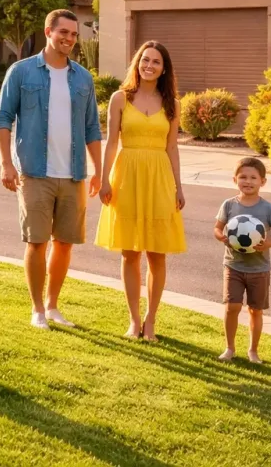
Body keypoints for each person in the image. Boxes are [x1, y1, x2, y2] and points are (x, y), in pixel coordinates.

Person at [0, 9, 103, 331]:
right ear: (48, 32)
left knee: (65, 242)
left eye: (73, 34)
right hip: (34, 172)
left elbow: (92, 128)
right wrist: (5, 163)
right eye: (63, 33)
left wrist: (99, 171)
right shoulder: (21, 72)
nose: (69, 39)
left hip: (73, 173)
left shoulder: (83, 77)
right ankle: (37, 309)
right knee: (37, 242)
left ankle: (54, 306)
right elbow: (3, 119)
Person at [95, 41, 187, 342]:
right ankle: (134, 321)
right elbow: (111, 143)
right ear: (137, 63)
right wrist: (105, 179)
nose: (149, 65)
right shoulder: (120, 98)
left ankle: (151, 321)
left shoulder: (173, 102)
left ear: (164, 68)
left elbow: (172, 147)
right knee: (130, 253)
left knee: (157, 254)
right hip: (127, 176)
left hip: (159, 177)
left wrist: (178, 186)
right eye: (145, 60)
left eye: (156, 62)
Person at [214, 157, 271, 363]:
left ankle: (253, 351)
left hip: (259, 268)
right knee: (232, 306)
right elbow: (218, 228)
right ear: (234, 179)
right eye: (243, 177)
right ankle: (229, 348)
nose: (248, 181)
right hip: (233, 266)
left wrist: (268, 244)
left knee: (255, 310)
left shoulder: (268, 209)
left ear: (262, 182)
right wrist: (221, 236)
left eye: (253, 177)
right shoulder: (229, 205)